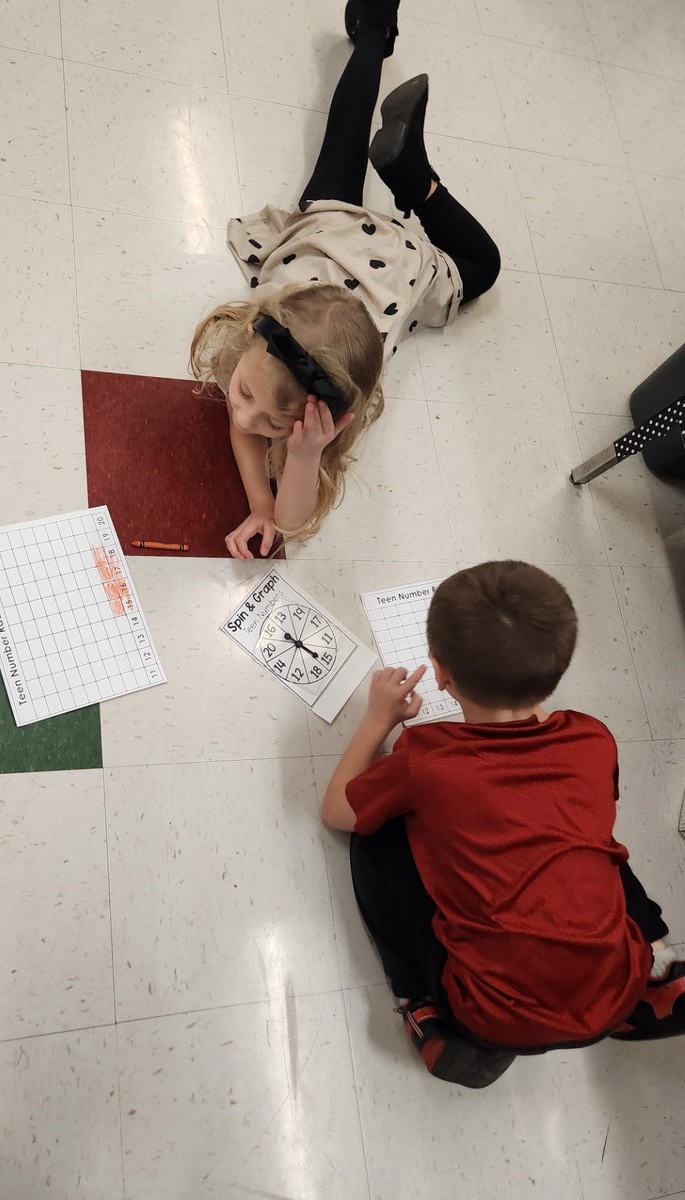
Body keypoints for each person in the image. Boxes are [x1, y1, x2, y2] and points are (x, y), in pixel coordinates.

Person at [320, 561, 678, 1075]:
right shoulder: (593, 739)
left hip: (486, 1014)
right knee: (589, 842)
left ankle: (422, 1002)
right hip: (618, 986)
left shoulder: (426, 758)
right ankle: (660, 963)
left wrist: (378, 718)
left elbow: (337, 811)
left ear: (440, 675)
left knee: (374, 837)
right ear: (555, 675)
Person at [190, 1, 501, 558]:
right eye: (244, 394)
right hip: (335, 237)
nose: (243, 416)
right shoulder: (266, 343)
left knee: (349, 145)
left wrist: (302, 462)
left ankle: (375, 29)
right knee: (480, 264)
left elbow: (294, 521)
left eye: (274, 424)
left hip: (369, 255)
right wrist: (268, 494)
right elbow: (250, 435)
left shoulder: (283, 365)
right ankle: (415, 180)